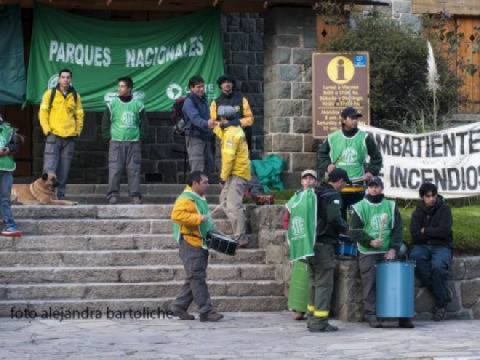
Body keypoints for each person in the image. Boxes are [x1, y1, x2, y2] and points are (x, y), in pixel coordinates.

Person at [350, 176, 414, 328]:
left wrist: (393, 248)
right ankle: (371, 314)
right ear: (367, 188)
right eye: (371, 186)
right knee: (370, 282)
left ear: (381, 188)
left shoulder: (390, 206)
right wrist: (369, 241)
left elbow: (397, 230)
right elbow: (353, 231)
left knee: (396, 282)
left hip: (388, 250)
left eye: (376, 186)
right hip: (368, 251)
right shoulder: (359, 207)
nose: (374, 189)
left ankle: (402, 315)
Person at [169, 171, 223, 322]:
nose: (208, 185)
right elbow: (176, 216)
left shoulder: (199, 197)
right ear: (195, 183)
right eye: (205, 182)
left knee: (194, 277)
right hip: (190, 243)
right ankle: (206, 311)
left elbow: (206, 220)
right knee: (197, 277)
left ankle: (179, 306)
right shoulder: (186, 199)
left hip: (200, 242)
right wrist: (198, 218)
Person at [317, 106, 382, 219]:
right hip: (338, 187)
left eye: (356, 118)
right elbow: (321, 154)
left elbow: (377, 158)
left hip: (357, 187)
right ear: (343, 120)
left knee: (357, 222)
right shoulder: (332, 138)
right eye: (352, 118)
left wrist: (371, 172)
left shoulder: (365, 138)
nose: (355, 120)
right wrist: (327, 165)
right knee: (337, 221)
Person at [307, 168, 349, 332]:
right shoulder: (332, 195)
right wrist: (347, 228)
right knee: (324, 284)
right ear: (339, 180)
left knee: (313, 282)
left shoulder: (315, 192)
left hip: (310, 243)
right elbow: (333, 218)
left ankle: (311, 318)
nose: (344, 186)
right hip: (324, 244)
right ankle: (319, 322)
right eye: (344, 183)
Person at [409, 183, 453, 321]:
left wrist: (426, 230)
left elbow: (444, 232)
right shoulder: (417, 212)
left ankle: (441, 305)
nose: (432, 198)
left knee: (438, 268)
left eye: (434, 195)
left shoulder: (445, 209)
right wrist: (432, 233)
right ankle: (443, 294)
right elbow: (415, 234)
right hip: (422, 246)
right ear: (423, 197)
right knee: (415, 258)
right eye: (428, 196)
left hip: (442, 246)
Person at [39, 68, 84, 199]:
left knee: (64, 169)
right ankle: (46, 194)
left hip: (69, 137)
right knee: (49, 168)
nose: (65, 79)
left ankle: (61, 195)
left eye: (68, 77)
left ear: (70, 80)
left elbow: (80, 115)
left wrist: (78, 130)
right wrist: (46, 129)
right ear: (59, 79)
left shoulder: (76, 96)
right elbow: (43, 113)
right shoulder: (49, 94)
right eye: (63, 77)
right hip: (53, 135)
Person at [101, 76, 146, 205]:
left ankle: (135, 195)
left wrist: (140, 138)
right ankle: (113, 195)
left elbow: (144, 124)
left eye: (122, 86)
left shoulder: (138, 105)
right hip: (116, 142)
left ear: (129, 89)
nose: (119, 89)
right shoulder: (112, 104)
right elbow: (105, 123)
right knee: (115, 169)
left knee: (134, 169)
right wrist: (107, 137)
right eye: (119, 86)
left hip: (134, 143)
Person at [283, 169, 318, 321]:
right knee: (300, 277)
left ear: (315, 181)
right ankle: (298, 308)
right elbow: (287, 218)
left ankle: (311, 308)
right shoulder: (295, 198)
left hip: (313, 243)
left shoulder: (317, 197)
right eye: (306, 178)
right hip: (300, 242)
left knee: (313, 278)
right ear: (301, 181)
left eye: (311, 179)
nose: (308, 181)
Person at [212, 114, 251, 248]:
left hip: (237, 173)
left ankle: (241, 236)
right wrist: (214, 125)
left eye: (219, 120)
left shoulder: (232, 134)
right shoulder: (231, 130)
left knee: (233, 205)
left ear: (223, 119)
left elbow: (228, 159)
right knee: (224, 199)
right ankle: (239, 228)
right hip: (234, 173)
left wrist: (223, 178)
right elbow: (221, 132)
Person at [210, 75, 254, 150]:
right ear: (220, 85)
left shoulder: (242, 99)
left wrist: (235, 122)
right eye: (224, 83)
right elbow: (213, 122)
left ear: (232, 84)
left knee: (242, 161)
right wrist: (223, 124)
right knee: (223, 161)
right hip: (223, 137)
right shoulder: (215, 102)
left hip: (240, 135)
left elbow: (250, 119)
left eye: (229, 82)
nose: (227, 84)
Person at [182, 76, 216, 174]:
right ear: (191, 88)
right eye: (198, 87)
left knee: (208, 166)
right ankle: (195, 189)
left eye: (202, 86)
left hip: (205, 136)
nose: (201, 89)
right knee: (197, 167)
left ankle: (204, 189)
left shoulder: (203, 99)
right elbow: (195, 119)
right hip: (194, 137)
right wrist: (207, 123)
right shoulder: (189, 101)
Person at [0, 114, 22, 237]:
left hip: (6, 168)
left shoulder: (9, 130)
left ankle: (10, 225)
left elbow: (16, 144)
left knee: (4, 198)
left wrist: (8, 149)